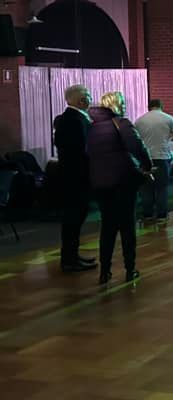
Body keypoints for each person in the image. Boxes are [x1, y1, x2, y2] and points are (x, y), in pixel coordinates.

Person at [87, 91, 153, 284]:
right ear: (116, 105)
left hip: (100, 183)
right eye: (123, 103)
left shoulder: (92, 127)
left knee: (107, 227)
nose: (125, 106)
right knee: (126, 227)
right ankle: (130, 268)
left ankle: (104, 271)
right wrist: (147, 167)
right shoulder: (121, 123)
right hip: (123, 182)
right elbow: (138, 147)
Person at [53, 84, 97, 273]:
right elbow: (81, 151)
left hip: (73, 176)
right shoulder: (74, 120)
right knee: (73, 218)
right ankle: (69, 259)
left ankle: (72, 255)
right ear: (80, 99)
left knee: (76, 218)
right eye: (87, 95)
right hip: (76, 178)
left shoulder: (70, 118)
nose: (90, 98)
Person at [134, 99, 173, 226]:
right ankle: (162, 215)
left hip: (145, 158)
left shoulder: (139, 120)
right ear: (161, 106)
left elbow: (135, 140)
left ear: (148, 107)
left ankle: (148, 214)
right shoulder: (168, 118)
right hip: (162, 157)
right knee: (162, 187)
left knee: (146, 188)